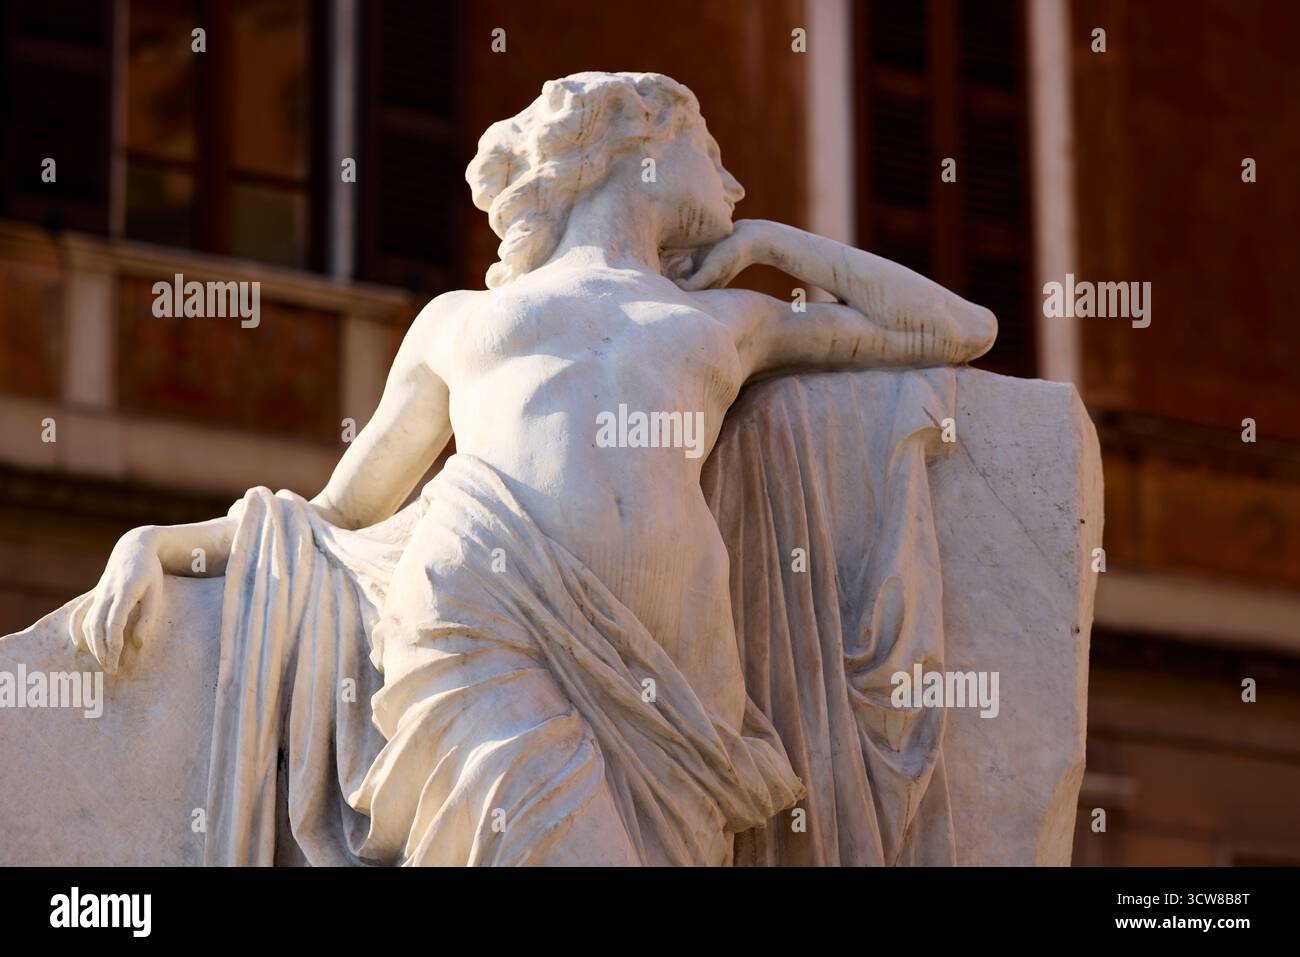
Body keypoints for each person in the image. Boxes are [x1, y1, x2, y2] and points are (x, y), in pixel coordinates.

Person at [73, 72, 995, 865]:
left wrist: (772, 242)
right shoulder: (461, 319)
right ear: (639, 144)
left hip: (674, 696)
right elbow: (335, 514)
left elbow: (960, 330)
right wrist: (155, 541)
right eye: (712, 153)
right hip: (488, 623)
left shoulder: (730, 322)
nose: (735, 181)